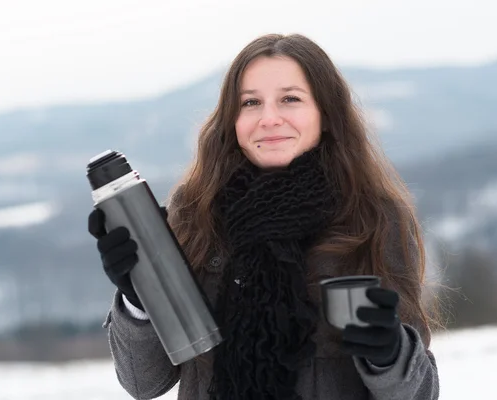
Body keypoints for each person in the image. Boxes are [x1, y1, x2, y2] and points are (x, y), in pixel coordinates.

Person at [88, 33, 440, 400]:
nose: (269, 118)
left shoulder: (374, 218)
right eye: (251, 103)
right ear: (232, 120)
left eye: (290, 99)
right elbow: (143, 383)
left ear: (326, 114)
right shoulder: (196, 213)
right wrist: (138, 298)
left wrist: (389, 353)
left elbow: (420, 392)